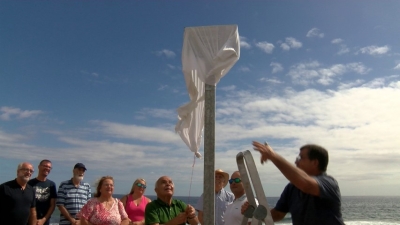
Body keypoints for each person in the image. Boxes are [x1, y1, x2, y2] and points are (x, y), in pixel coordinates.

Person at [245, 141, 345, 225]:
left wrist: (273, 156)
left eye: (300, 158)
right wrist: (255, 211)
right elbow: (276, 215)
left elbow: (307, 184)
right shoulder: (291, 188)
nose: (296, 162)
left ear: (315, 162)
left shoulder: (329, 183)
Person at [28, 159, 57, 225]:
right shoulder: (30, 183)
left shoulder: (51, 184)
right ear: (39, 166)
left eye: (49, 167)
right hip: (30, 219)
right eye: (45, 166)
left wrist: (44, 219)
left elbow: (52, 205)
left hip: (44, 220)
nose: (47, 168)